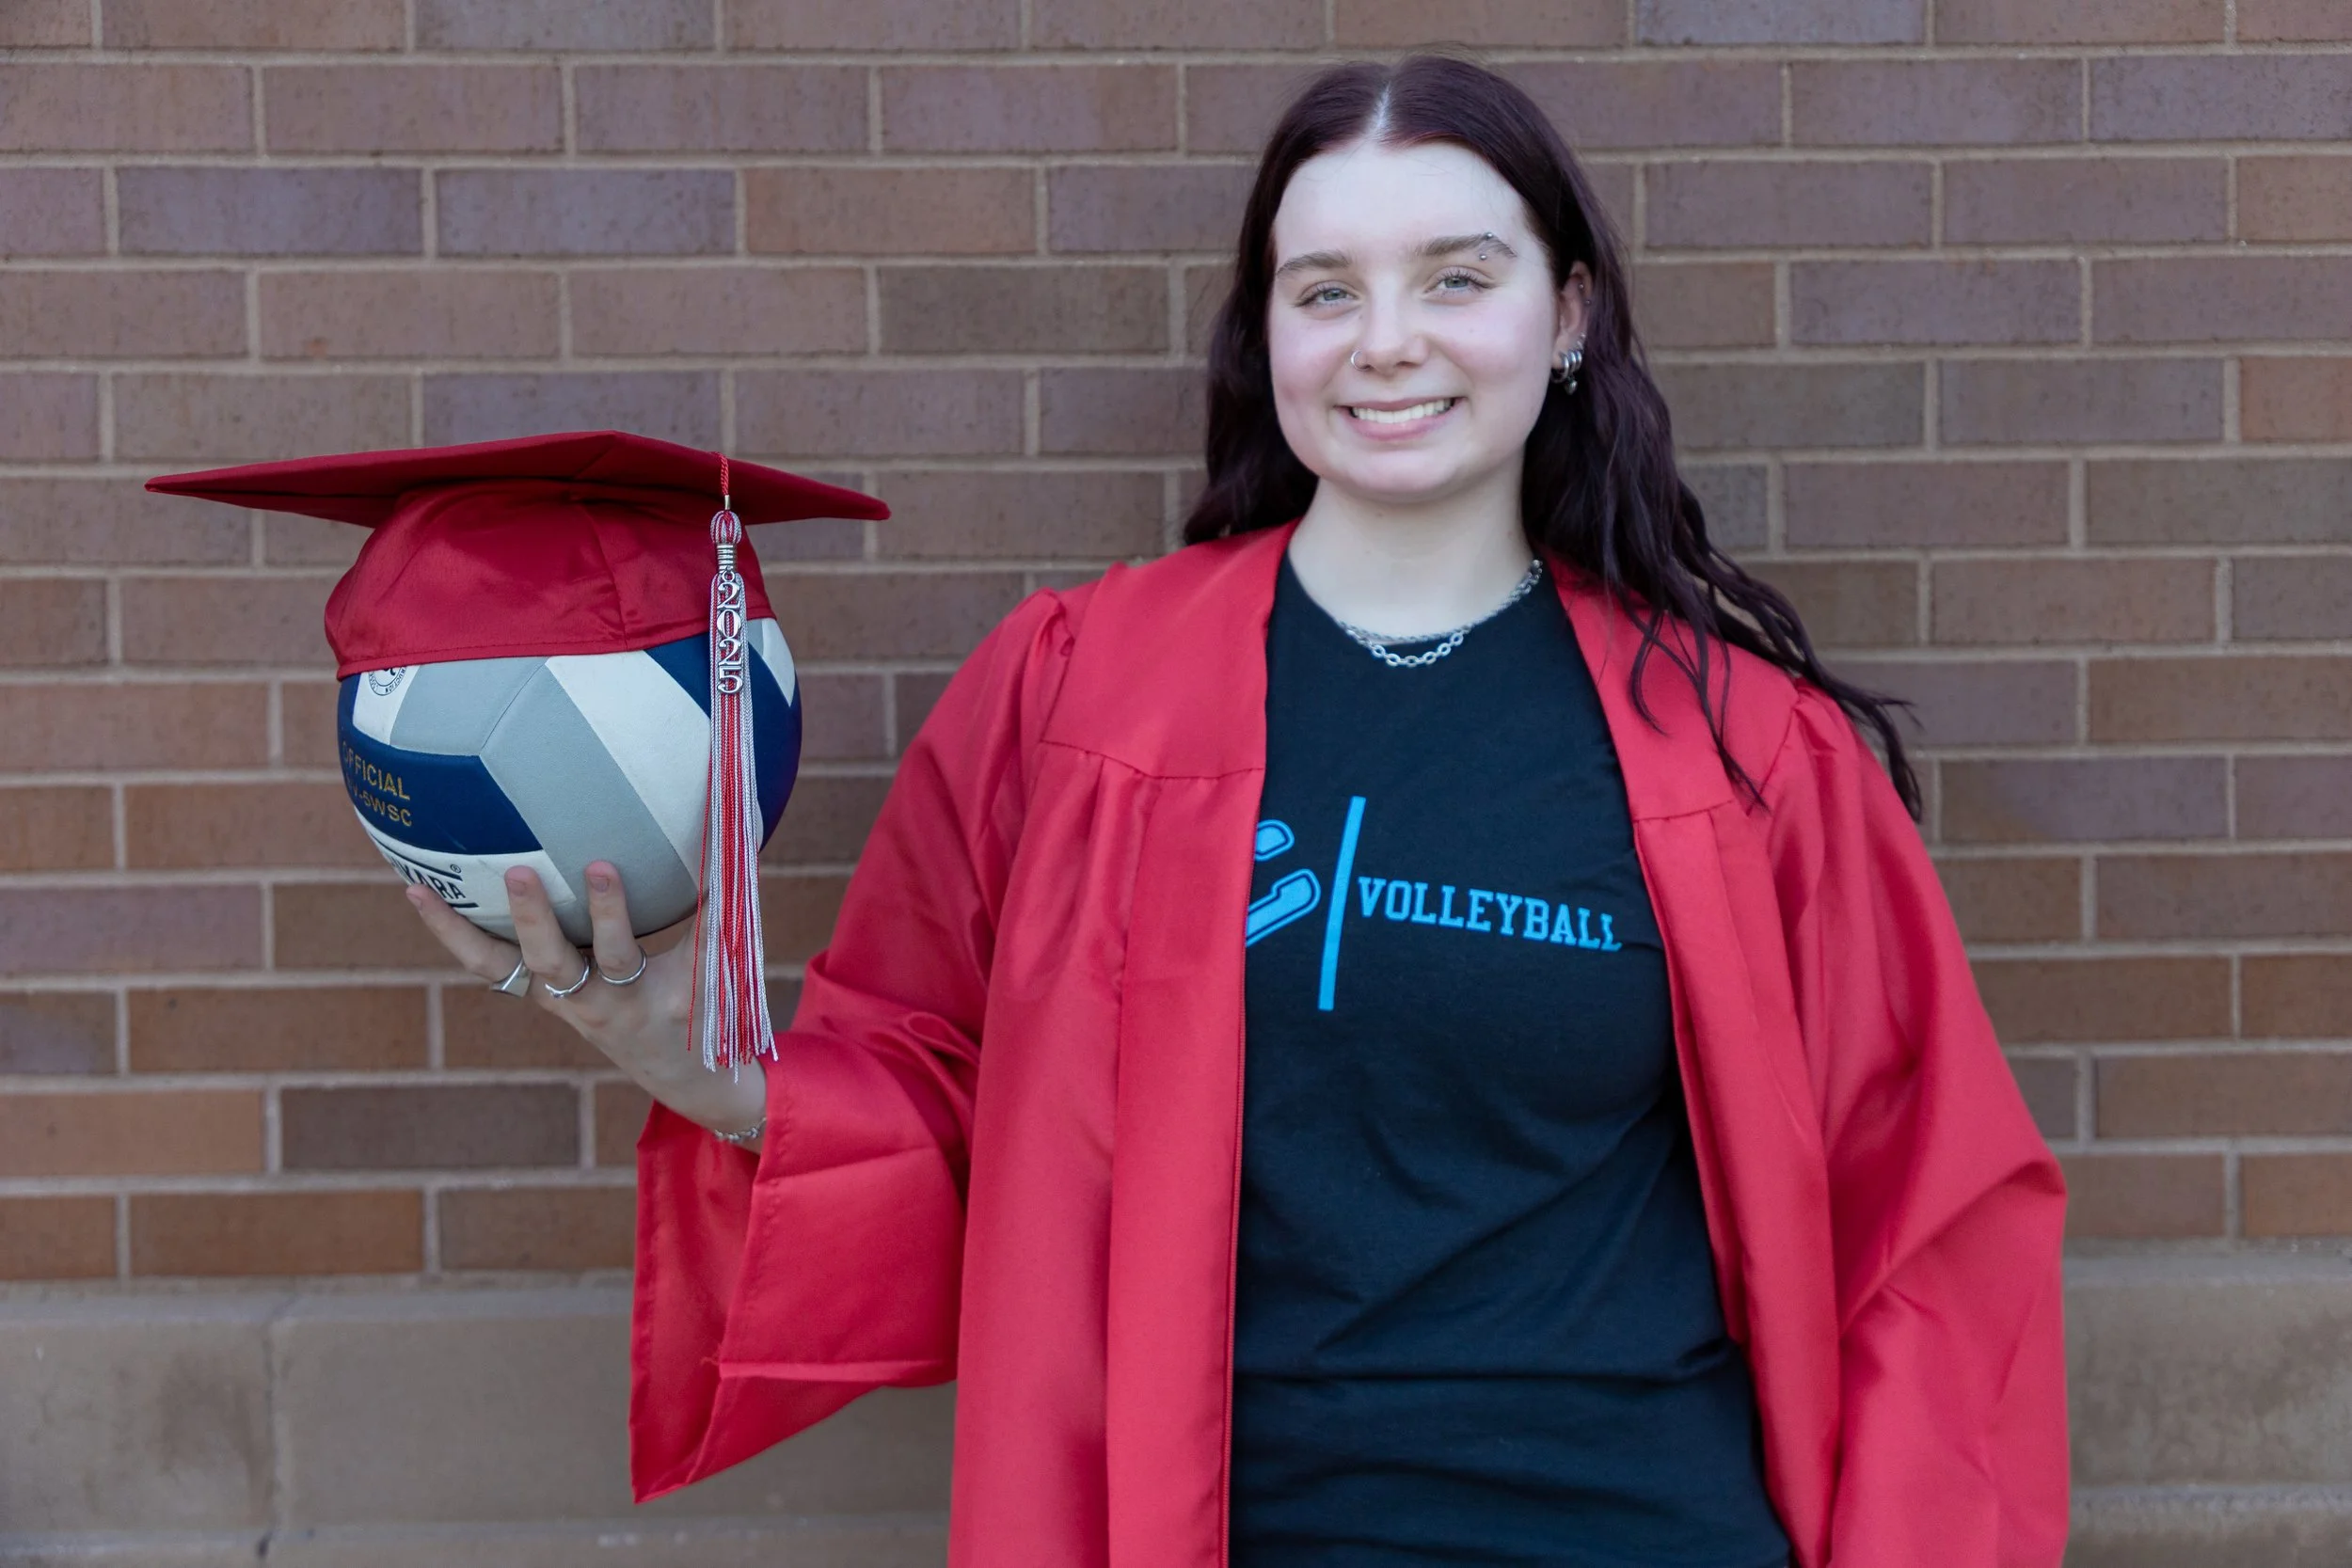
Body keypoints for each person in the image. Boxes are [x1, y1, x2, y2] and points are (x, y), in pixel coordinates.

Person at [406, 55, 2068, 1568]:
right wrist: (701, 1067)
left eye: (1455, 278)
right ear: (1267, 333)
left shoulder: (1741, 751)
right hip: (1210, 1524)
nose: (1387, 339)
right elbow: (935, 1091)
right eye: (1325, 287)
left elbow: (1932, 1228)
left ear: (1566, 319)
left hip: (1642, 1518)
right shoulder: (1076, 694)